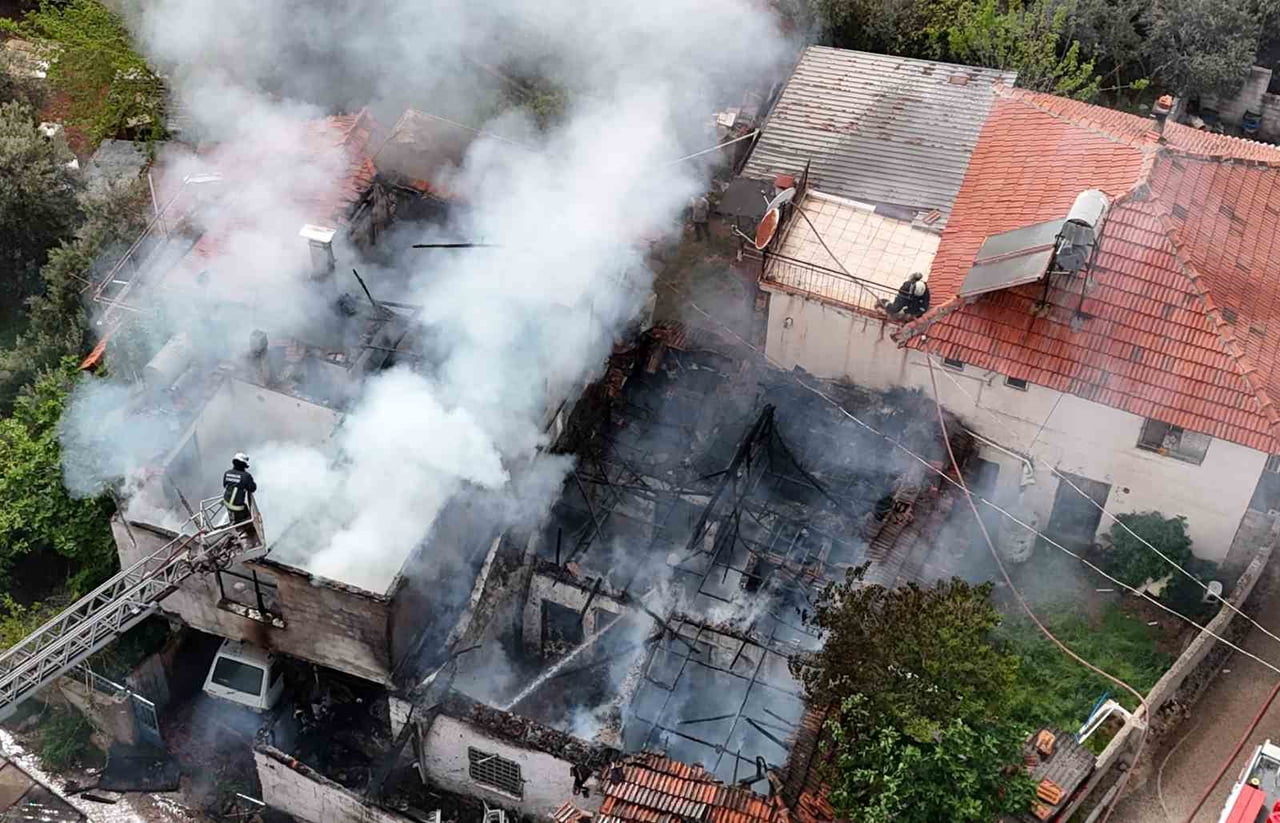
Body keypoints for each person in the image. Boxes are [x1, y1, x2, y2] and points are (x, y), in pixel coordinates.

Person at [223, 452, 257, 525]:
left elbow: (224, 485)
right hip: (238, 507)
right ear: (243, 465)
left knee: (234, 511)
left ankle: (235, 522)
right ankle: (249, 530)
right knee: (248, 519)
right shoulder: (246, 476)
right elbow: (253, 488)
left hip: (226, 502)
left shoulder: (227, 473)